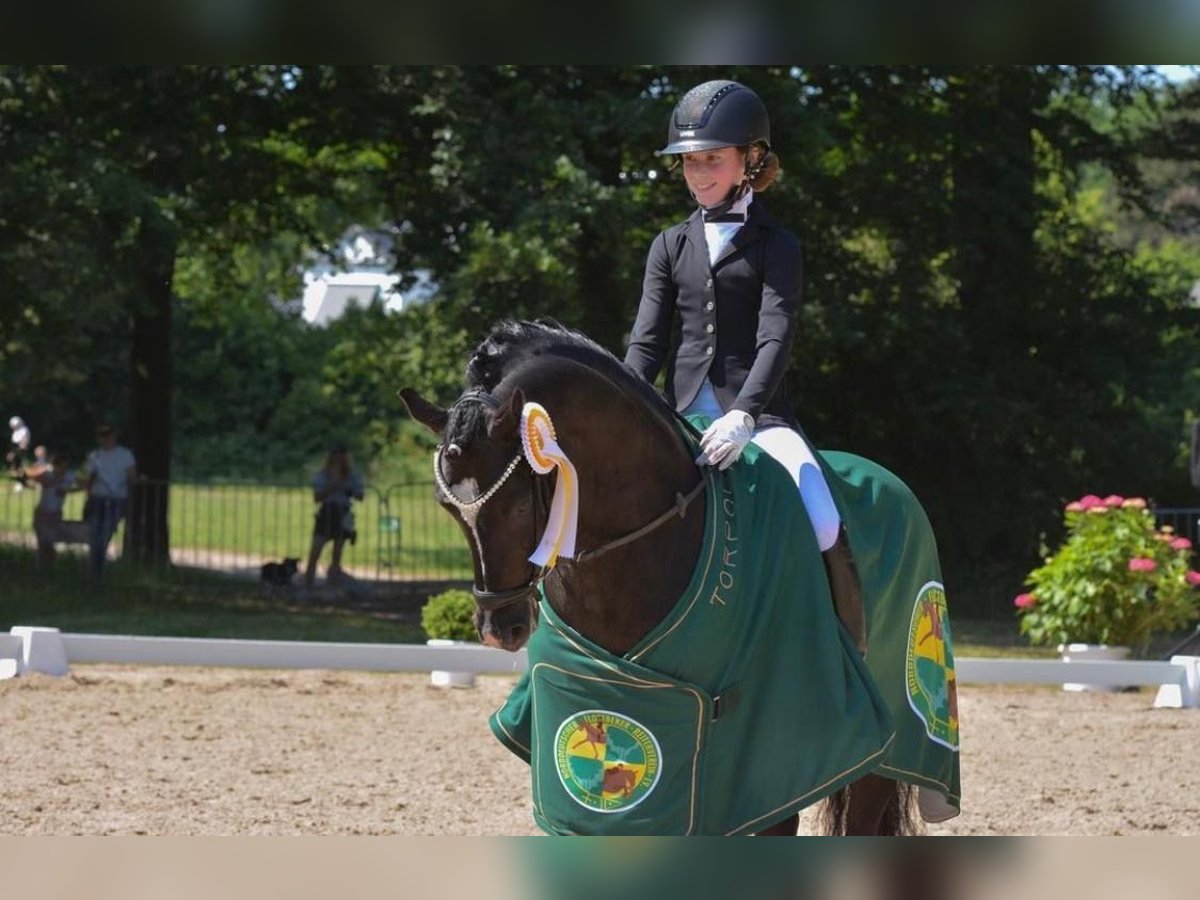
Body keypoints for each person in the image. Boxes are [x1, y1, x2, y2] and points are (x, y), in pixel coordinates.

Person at [623, 78, 867, 654]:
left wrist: (744, 416)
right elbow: (647, 344)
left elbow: (775, 339)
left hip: (756, 417)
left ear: (750, 160)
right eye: (688, 162)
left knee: (824, 518)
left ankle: (847, 649)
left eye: (712, 159)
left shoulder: (775, 245)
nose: (698, 173)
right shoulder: (669, 244)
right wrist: (628, 406)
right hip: (678, 416)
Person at [304, 442, 365, 588]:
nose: (337, 459)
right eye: (334, 455)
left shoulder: (352, 476)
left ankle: (333, 584)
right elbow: (317, 497)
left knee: (337, 553)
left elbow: (360, 495)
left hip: (342, 514)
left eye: (340, 455)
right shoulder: (322, 475)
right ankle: (308, 584)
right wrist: (334, 484)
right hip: (326, 513)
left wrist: (348, 488)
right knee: (315, 550)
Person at [83, 423, 138, 577]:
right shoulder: (95, 456)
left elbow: (132, 477)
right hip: (97, 498)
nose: (105, 438)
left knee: (104, 535)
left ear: (114, 435)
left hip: (116, 499)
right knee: (94, 536)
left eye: (107, 434)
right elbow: (89, 479)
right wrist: (87, 497)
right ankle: (94, 572)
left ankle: (97, 572)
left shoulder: (125, 454)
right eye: (101, 435)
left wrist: (139, 480)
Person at [25, 449, 81, 567]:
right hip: (42, 513)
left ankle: (49, 567)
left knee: (50, 542)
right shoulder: (48, 474)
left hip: (56, 514)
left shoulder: (69, 476)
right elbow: (29, 473)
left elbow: (84, 485)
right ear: (55, 465)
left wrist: (68, 491)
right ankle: (41, 567)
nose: (62, 470)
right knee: (43, 543)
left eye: (65, 467)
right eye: (61, 466)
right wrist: (43, 472)